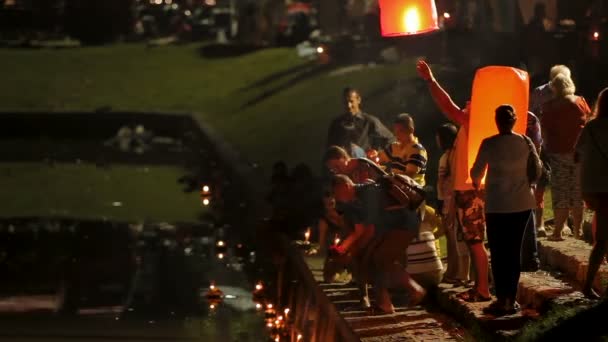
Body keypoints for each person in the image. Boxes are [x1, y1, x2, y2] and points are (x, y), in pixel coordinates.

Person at [416, 60, 491, 303]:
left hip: (470, 192)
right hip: (466, 191)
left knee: (476, 241)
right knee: (472, 241)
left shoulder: (472, 123)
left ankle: (483, 289)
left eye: (470, 101)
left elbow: (447, 105)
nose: (466, 103)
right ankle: (479, 285)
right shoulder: (470, 126)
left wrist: (431, 80)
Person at [471, 104, 537, 315]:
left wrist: (477, 185)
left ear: (497, 121)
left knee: (499, 253)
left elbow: (476, 172)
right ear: (514, 121)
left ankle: (502, 299)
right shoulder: (526, 142)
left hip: (498, 205)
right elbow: (538, 169)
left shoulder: (489, 144)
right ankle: (512, 298)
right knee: (513, 251)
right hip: (522, 204)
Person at [331, 174, 425, 314]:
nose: (338, 199)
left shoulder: (368, 193)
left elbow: (369, 230)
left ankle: (412, 292)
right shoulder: (356, 200)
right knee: (374, 260)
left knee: (379, 258)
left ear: (346, 186)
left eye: (337, 194)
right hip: (390, 227)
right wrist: (345, 248)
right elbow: (360, 229)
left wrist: (354, 250)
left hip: (403, 224)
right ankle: (387, 302)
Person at [541, 74, 591, 240]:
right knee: (577, 192)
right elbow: (588, 122)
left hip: (558, 153)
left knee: (560, 193)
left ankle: (558, 232)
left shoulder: (549, 107)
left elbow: (545, 131)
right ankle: (578, 231)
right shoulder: (581, 101)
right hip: (580, 154)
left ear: (554, 88)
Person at [576, 87, 608, 299]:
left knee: (605, 237)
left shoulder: (590, 127)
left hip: (591, 188)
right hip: (607, 188)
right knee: (603, 240)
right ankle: (587, 286)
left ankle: (591, 285)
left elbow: (576, 154)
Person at [436, 123, 471, 286]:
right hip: (454, 201)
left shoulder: (447, 158)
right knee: (457, 240)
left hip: (451, 202)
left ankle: (457, 273)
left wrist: (444, 204)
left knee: (455, 240)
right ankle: (459, 273)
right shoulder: (456, 155)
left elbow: (444, 182)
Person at [326, 87, 394, 158]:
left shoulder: (369, 121)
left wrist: (378, 154)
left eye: (351, 101)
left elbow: (391, 139)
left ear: (358, 100)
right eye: (346, 102)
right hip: (344, 167)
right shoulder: (336, 124)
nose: (349, 105)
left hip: (364, 166)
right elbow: (329, 151)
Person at [378, 113, 428, 186]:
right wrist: (374, 156)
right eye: (395, 131)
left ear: (411, 130)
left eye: (401, 131)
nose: (396, 134)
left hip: (411, 191)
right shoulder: (394, 146)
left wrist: (389, 176)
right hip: (396, 188)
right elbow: (379, 158)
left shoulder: (418, 150)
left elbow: (408, 176)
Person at [407, 205, 444, 290]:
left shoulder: (400, 218)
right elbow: (443, 227)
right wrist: (433, 236)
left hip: (413, 276)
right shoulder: (429, 211)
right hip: (436, 270)